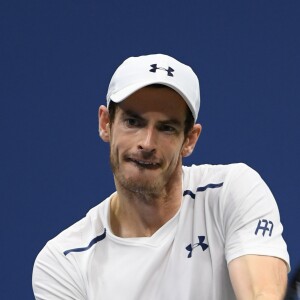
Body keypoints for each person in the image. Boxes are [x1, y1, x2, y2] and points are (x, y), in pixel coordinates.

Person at [32, 54, 290, 300]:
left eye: (166, 128)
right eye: (133, 122)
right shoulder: (63, 261)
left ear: (189, 140)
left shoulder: (231, 191)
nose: (147, 143)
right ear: (105, 123)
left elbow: (261, 293)